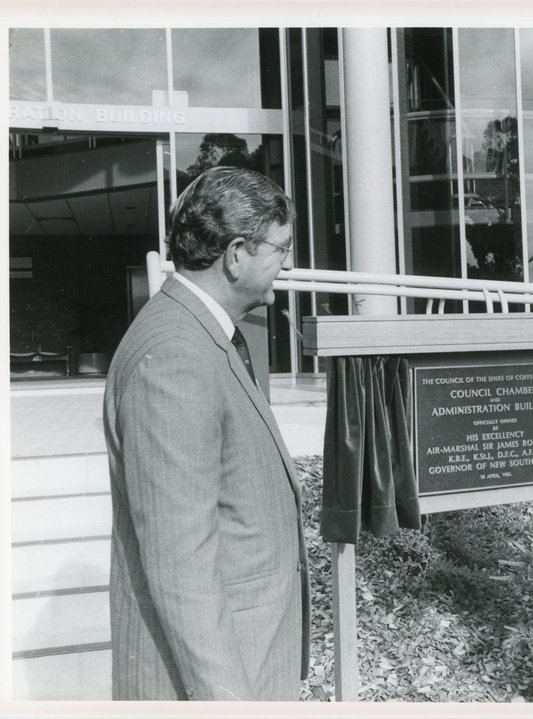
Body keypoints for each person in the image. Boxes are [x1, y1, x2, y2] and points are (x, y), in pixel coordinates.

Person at [103, 166, 310, 700]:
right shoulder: (175, 356)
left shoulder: (202, 334)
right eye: (280, 249)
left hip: (247, 654)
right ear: (236, 254)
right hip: (217, 682)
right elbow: (181, 565)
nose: (286, 265)